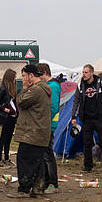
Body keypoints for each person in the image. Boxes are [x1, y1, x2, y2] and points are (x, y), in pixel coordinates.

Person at [8, 64, 51, 198]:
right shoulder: (45, 88)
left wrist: (24, 89)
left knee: (25, 160)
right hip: (39, 132)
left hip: (32, 132)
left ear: (31, 75)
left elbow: (20, 102)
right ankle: (38, 188)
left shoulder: (36, 90)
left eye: (24, 76)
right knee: (37, 162)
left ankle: (24, 189)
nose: (23, 79)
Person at [70, 64, 102, 174]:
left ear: (91, 73)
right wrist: (73, 116)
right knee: (87, 143)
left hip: (100, 118)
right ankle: (88, 165)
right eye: (83, 72)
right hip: (86, 118)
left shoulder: (101, 84)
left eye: (86, 72)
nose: (83, 74)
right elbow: (76, 101)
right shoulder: (80, 86)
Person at [38, 63, 60, 193]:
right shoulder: (47, 86)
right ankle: (46, 181)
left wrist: (44, 121)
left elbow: (53, 107)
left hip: (49, 125)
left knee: (48, 155)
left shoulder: (53, 87)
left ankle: (53, 183)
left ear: (45, 72)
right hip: (45, 124)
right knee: (44, 154)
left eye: (39, 75)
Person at [0, 68, 18, 168]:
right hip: (6, 116)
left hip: (12, 116)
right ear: (11, 77)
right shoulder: (3, 88)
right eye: (15, 77)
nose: (16, 79)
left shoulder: (12, 89)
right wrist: (4, 109)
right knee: (3, 137)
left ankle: (7, 158)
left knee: (8, 138)